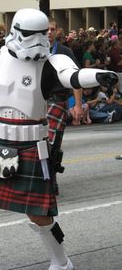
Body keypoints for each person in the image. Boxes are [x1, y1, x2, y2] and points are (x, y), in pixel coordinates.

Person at [0, 8, 118, 270]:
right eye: (32, 34)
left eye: (43, 34)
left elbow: (72, 76)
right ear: (15, 31)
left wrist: (96, 75)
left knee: (39, 215)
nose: (40, 40)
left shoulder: (52, 62)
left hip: (31, 144)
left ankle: (61, 262)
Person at [47, 18, 83, 194]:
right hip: (36, 101)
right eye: (46, 29)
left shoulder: (65, 51)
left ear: (57, 31)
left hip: (58, 100)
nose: (49, 32)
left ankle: (51, 178)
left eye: (52, 29)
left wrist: (77, 105)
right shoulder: (32, 52)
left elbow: (76, 79)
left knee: (53, 143)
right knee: (33, 142)